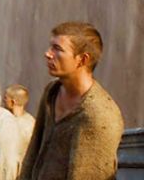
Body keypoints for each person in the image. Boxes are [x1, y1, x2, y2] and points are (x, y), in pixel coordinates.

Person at [20, 22, 124, 180]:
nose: (47, 54)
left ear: (82, 60)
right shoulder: (52, 92)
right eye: (50, 47)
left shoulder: (99, 115)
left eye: (58, 49)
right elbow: (33, 152)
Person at [4, 85, 35, 157]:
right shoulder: (32, 122)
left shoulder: (26, 124)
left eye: (5, 98)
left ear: (12, 102)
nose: (3, 101)